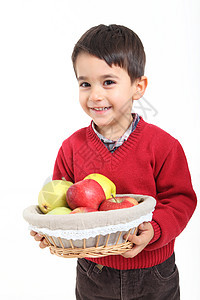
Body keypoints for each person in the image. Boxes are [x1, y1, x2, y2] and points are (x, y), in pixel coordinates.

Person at [31, 24, 197, 299]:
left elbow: (181, 200)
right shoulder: (72, 148)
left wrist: (154, 229)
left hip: (153, 270)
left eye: (108, 82)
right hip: (94, 272)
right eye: (85, 83)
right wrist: (52, 229)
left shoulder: (164, 146)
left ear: (138, 87)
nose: (95, 95)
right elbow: (62, 203)